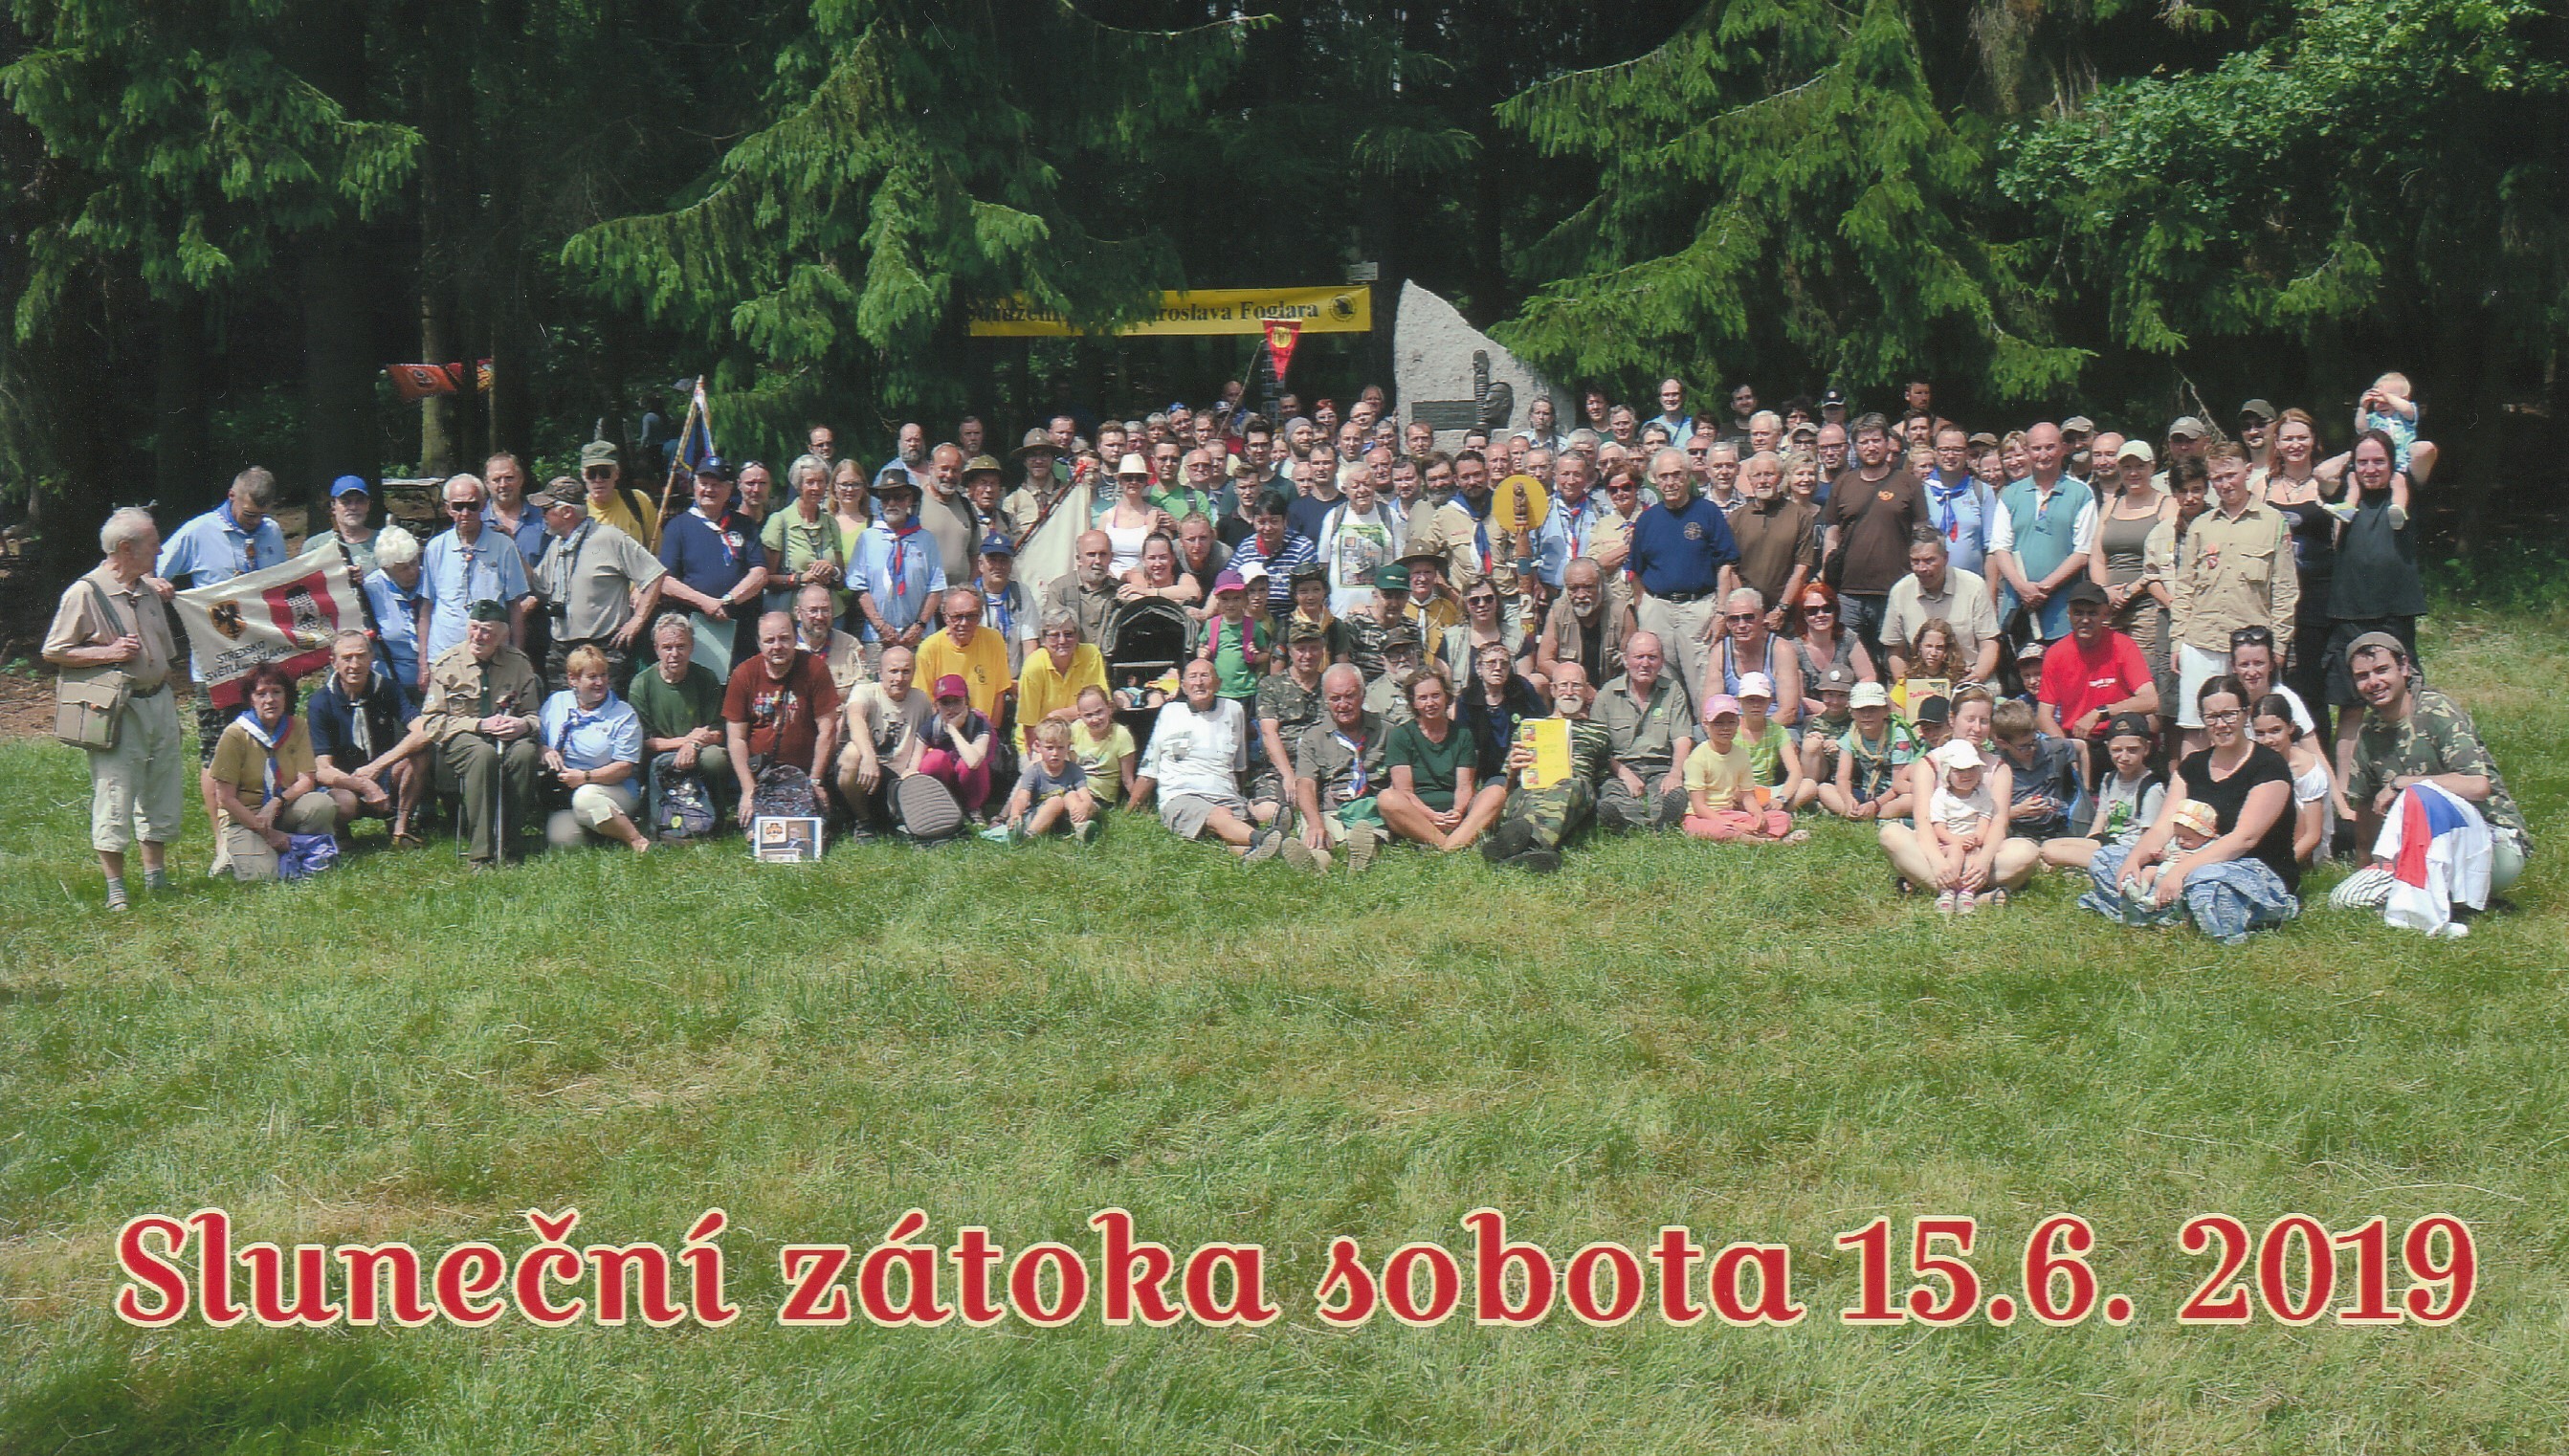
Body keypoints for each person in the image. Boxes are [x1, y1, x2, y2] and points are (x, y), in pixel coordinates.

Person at [2081, 675, 2301, 942]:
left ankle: (2159, 910)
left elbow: (2245, 838)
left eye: (2229, 714)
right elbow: (2163, 827)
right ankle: (2174, 911)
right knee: (2106, 859)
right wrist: (2134, 860)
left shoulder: (2269, 766)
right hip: (2182, 861)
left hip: (2249, 869)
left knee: (2207, 885)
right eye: (2212, 717)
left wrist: (2181, 872)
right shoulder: (2192, 766)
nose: (2221, 724)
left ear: (2246, 713)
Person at [45, 506, 186, 909]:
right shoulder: (84, 593)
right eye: (153, 544)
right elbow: (54, 650)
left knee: (162, 789)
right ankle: (116, 890)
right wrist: (108, 652)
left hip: (159, 700)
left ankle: (156, 880)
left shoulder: (147, 589)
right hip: (117, 710)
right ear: (126, 548)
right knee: (115, 793)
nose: (160, 550)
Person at [2330, 632, 2531, 912]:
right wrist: (2367, 868)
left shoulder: (2436, 711)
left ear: (2404, 667)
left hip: (2492, 844)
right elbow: (2366, 811)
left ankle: (2450, 897)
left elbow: (2477, 786)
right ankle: (2447, 901)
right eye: (2362, 676)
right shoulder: (2369, 735)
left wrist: (2405, 783)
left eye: (2382, 670)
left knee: (2422, 795)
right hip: (2422, 847)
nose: (2373, 682)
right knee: (2345, 899)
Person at [2323, 430, 2427, 780]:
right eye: (2363, 462)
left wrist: (2397, 460)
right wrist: (2350, 468)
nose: (2370, 469)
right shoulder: (2344, 494)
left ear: (2393, 464)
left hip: (2394, 613)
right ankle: (2346, 792)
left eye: (2379, 461)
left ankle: (2409, 778)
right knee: (2351, 707)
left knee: (2402, 700)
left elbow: (2426, 450)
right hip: (2348, 612)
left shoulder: (2406, 489)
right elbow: (2322, 473)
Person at [417, 599, 545, 867]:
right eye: (474, 627)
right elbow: (432, 721)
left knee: (525, 753)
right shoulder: (448, 663)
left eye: (487, 631)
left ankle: (510, 845)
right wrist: (478, 725)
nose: (478, 636)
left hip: (507, 738)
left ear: (503, 635)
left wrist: (523, 725)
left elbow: (533, 715)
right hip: (463, 740)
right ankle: (481, 854)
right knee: (483, 755)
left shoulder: (518, 663)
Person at [201, 662, 340, 882]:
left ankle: (304, 849)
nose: (270, 700)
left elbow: (307, 780)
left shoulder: (297, 727)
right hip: (245, 817)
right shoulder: (234, 735)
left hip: (283, 808)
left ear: (286, 696)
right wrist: (266, 832)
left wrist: (277, 802)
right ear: (251, 699)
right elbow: (225, 798)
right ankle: (235, 851)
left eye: (276, 692)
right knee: (264, 876)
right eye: (261, 694)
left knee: (321, 805)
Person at [1135, 657, 1284, 861]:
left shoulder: (1233, 710)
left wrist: (1235, 793)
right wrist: (1130, 809)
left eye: (1205, 676)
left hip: (1225, 794)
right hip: (1182, 794)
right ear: (1183, 686)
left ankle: (1255, 855)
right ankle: (1266, 840)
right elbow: (1150, 767)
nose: (1199, 682)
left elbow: (1239, 765)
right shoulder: (1170, 712)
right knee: (1221, 815)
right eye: (1193, 677)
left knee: (1231, 829)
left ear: (1218, 683)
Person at [1627, 446, 1740, 697]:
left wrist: (1721, 612)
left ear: (1688, 476)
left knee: (1703, 682)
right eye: (1664, 476)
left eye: (1676, 475)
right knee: (1661, 683)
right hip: (1657, 610)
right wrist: (1644, 611)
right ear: (1654, 480)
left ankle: (1705, 723)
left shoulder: (1708, 512)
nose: (1670, 482)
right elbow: (1636, 572)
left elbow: (1725, 565)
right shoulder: (1646, 520)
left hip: (1698, 609)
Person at [532, 484, 666, 695]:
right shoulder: (556, 545)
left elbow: (655, 575)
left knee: (605, 711)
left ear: (567, 512)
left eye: (546, 509)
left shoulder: (609, 538)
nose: (542, 515)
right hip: (562, 650)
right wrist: (512, 550)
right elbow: (539, 587)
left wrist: (637, 620)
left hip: (604, 649)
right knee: (563, 710)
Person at [1822, 412, 1929, 663]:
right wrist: (1828, 567)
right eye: (1864, 442)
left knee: (1894, 660)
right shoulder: (1843, 483)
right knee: (1847, 662)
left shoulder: (1909, 484)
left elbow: (1921, 535)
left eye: (1876, 440)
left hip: (1896, 590)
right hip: (1849, 592)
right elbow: (1832, 532)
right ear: (1854, 446)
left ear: (1887, 443)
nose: (1870, 447)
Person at [306, 629, 431, 845]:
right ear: (334, 662)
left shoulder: (387, 688)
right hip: (345, 781)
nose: (355, 665)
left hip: (383, 773)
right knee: (341, 803)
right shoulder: (320, 701)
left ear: (372, 657)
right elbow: (323, 769)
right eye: (347, 658)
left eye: (361, 656)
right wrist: (363, 785)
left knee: (420, 753)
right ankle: (340, 832)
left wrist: (377, 767)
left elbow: (424, 731)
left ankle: (401, 828)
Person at [723, 610, 843, 826]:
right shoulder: (743, 674)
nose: (777, 646)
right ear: (759, 644)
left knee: (808, 832)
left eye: (784, 638)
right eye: (769, 640)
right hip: (760, 774)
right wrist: (748, 789)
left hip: (805, 774)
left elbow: (828, 730)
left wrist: (816, 781)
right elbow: (736, 739)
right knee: (756, 834)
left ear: (796, 638)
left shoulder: (815, 669)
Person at [655, 459, 769, 676]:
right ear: (694, 486)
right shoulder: (677, 526)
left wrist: (727, 601)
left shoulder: (744, 524)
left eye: (716, 485)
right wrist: (706, 603)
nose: (709, 489)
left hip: (740, 624)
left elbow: (760, 573)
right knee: (702, 683)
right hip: (696, 627)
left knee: (741, 683)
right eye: (704, 483)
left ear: (729, 489)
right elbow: (666, 582)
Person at [1377, 668, 1507, 852]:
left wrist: (1457, 812)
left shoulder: (1462, 734)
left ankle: (1446, 844)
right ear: (1413, 702)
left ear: (1446, 697)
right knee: (1387, 798)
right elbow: (1405, 791)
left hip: (1456, 812)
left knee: (1496, 792)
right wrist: (1432, 816)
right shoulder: (1401, 735)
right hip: (1417, 814)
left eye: (1436, 695)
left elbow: (1465, 787)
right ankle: (1451, 844)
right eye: (1423, 698)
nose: (1430, 703)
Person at [1987, 422, 2092, 646]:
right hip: (2019, 607)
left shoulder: (2081, 493)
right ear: (2027, 451)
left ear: (2063, 449)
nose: (2043, 455)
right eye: (2036, 448)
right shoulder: (2011, 494)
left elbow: (2083, 552)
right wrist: (2023, 589)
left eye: (2050, 447)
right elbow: (2000, 547)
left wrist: (2043, 589)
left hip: (2063, 610)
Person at [538, 645, 650, 853]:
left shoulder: (623, 714)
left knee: (585, 798)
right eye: (592, 677)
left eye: (603, 675)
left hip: (614, 788)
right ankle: (603, 829)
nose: (600, 682)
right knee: (563, 841)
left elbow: (624, 768)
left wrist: (585, 777)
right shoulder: (556, 702)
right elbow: (539, 742)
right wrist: (545, 751)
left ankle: (636, 840)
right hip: (566, 793)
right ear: (573, 679)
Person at [631, 612, 734, 835]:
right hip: (660, 754)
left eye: (681, 646)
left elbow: (718, 732)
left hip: (701, 749)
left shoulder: (706, 678)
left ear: (692, 646)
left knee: (715, 758)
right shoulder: (641, 684)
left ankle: (716, 818)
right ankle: (659, 820)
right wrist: (686, 742)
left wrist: (694, 745)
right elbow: (644, 741)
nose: (674, 654)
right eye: (667, 647)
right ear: (656, 648)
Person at [2035, 579, 2158, 762]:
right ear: (2069, 614)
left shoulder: (2123, 645)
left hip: (2119, 736)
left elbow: (2150, 700)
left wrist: (2101, 712)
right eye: (2078, 613)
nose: (2085, 620)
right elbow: (2044, 716)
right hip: (2079, 741)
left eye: (2092, 613)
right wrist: (2067, 750)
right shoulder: (2056, 653)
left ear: (2104, 614)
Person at [1284, 664, 1389, 873]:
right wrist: (1315, 823)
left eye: (1350, 696)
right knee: (1318, 839)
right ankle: (1315, 864)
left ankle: (1360, 856)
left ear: (1363, 694)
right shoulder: (1312, 737)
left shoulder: (1386, 729)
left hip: (1369, 809)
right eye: (1335, 698)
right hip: (1331, 810)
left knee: (1366, 834)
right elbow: (1305, 784)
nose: (1343, 705)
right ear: (1325, 700)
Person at [421, 473, 533, 664]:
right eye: (458, 506)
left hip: (493, 655)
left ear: (483, 505)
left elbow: (515, 606)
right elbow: (427, 607)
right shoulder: (435, 547)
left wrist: (517, 659)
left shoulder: (504, 546)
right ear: (448, 509)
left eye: (472, 505)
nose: (465, 513)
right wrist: (423, 662)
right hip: (444, 655)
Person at [1593, 630, 1694, 830]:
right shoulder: (1607, 694)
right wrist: (1624, 774)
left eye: (1652, 657)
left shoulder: (1673, 690)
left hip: (1660, 766)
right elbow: (1597, 746)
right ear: (1626, 660)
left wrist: (1675, 773)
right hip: (1620, 768)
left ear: (1662, 661)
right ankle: (1627, 820)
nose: (1645, 664)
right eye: (1639, 657)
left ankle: (1662, 819)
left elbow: (1682, 737)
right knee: (1612, 795)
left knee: (1670, 793)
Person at [2041, 713, 2166, 871]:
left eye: (2132, 750)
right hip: (2107, 842)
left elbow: (2149, 836)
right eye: (2117, 750)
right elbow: (2101, 818)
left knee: (2051, 852)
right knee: (2048, 846)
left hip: (2129, 849)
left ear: (2146, 748)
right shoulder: (2109, 779)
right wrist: (2089, 840)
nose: (2124, 757)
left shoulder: (2152, 787)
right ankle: (2081, 864)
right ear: (2108, 748)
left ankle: (2090, 865)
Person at [1881, 530, 2001, 685]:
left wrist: (1978, 676)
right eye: (1915, 561)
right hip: (1921, 682)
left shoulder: (1974, 586)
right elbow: (1895, 652)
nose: (1921, 568)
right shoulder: (1900, 591)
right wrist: (1907, 687)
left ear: (1945, 558)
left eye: (1929, 560)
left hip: (1968, 677)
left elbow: (1989, 643)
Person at [848, 475, 947, 658]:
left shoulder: (926, 539)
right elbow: (859, 586)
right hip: (877, 637)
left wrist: (919, 626)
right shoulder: (867, 538)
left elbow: (936, 587)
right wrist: (881, 626)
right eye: (886, 498)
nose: (892, 503)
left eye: (899, 497)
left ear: (910, 500)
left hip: (919, 637)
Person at [1681, 693, 1802, 843]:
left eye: (1731, 722)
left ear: (1738, 723)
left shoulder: (1741, 754)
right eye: (1718, 723)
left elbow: (1748, 796)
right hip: (1701, 817)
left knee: (1781, 818)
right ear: (1706, 725)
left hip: (1730, 813)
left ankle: (1746, 836)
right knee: (1721, 830)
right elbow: (1699, 806)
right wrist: (1733, 825)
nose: (1725, 728)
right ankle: (1763, 841)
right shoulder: (1698, 758)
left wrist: (1758, 814)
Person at [837, 645, 930, 835]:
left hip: (899, 780)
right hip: (864, 774)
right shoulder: (865, 691)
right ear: (880, 673)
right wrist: (869, 757)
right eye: (893, 671)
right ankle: (864, 822)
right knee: (852, 754)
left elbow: (928, 738)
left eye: (906, 671)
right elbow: (855, 718)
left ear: (914, 674)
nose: (899, 678)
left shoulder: (921, 700)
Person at [1917, 740, 2001, 912]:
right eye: (1959, 770)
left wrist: (1976, 839)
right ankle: (1947, 891)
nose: (1966, 774)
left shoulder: (1983, 794)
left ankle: (1967, 892)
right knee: (1956, 852)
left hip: (1973, 842)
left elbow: (1984, 821)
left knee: (1974, 856)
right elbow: (1939, 828)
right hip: (1948, 843)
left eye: (1972, 769)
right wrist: (1958, 841)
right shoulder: (1942, 796)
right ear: (1947, 773)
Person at [761, 455, 849, 619]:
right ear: (799, 485)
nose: (816, 487)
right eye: (810, 482)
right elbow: (765, 579)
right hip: (793, 615)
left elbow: (841, 579)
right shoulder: (780, 521)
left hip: (830, 614)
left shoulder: (831, 523)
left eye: (821, 481)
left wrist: (832, 570)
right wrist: (800, 578)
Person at [2249, 694, 2332, 867]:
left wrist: (2282, 867)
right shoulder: (2254, 762)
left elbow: (2313, 836)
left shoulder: (2308, 770)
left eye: (2275, 731)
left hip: (2302, 851)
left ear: (2291, 727)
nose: (2268, 740)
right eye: (2260, 734)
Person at [1819, 682, 1916, 822]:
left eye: (1873, 709)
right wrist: (1848, 799)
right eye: (1860, 710)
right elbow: (1842, 777)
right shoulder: (1852, 735)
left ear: (1886, 711)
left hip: (1890, 796)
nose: (1866, 715)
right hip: (1866, 792)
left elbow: (1898, 783)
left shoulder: (1898, 737)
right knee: (1824, 789)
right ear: (1852, 712)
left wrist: (1876, 804)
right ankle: (1859, 812)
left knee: (1909, 799)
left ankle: (1869, 815)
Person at [1988, 698, 2082, 842]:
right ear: (2003, 743)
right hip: (2018, 833)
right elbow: (1987, 817)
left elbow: (2081, 747)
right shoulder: (1996, 766)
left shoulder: (2053, 749)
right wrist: (2019, 811)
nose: (2032, 749)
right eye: (2023, 746)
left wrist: (2083, 789)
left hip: (2057, 829)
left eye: (2034, 741)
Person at [992, 718, 1097, 845]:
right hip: (1037, 818)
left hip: (1063, 819)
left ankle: (1080, 828)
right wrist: (1015, 814)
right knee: (1056, 801)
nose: (1055, 753)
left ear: (1068, 747)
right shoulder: (1034, 771)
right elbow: (1022, 797)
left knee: (1072, 795)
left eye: (1060, 748)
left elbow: (1085, 794)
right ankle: (1028, 837)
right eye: (1049, 748)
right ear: (1038, 747)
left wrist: (1085, 806)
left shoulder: (1074, 770)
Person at [1016, 612, 1109, 752]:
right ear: (1043, 640)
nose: (1062, 640)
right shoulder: (1033, 666)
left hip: (1084, 739)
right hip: (1041, 742)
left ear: (1077, 637)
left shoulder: (1091, 654)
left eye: (1068, 634)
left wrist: (1057, 715)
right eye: (1054, 635)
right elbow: (1029, 725)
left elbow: (1102, 705)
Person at [1196, 569, 1270, 709]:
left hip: (1246, 690)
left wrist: (1256, 657)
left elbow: (1266, 653)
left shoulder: (1254, 626)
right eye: (1225, 599)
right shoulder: (1211, 625)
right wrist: (1202, 653)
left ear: (1245, 599)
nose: (1230, 604)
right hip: (1218, 690)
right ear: (1217, 600)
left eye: (1236, 598)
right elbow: (1200, 646)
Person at [577, 440, 660, 552]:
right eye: (591, 474)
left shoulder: (638, 500)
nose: (598, 479)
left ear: (616, 474)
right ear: (583, 476)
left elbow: (658, 548)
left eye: (604, 473)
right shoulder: (577, 511)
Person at [1070, 686, 1137, 807]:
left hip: (1100, 797)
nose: (1095, 719)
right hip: (1075, 789)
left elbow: (1127, 778)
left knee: (1080, 804)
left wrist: (1138, 804)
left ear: (1109, 708)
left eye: (1099, 712)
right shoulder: (1076, 729)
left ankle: (1078, 815)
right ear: (1080, 716)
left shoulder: (1121, 735)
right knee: (1061, 800)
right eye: (1088, 715)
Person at [305, 475, 381, 573]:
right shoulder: (315, 546)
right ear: (333, 506)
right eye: (346, 502)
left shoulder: (385, 541)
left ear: (368, 505)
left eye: (360, 501)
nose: (353, 507)